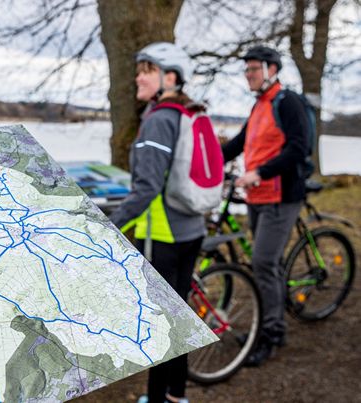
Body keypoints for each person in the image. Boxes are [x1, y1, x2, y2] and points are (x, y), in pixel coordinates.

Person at [109, 42, 207, 403]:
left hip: (163, 236)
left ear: (170, 77)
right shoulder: (186, 114)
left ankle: (157, 399)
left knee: (163, 323)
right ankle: (177, 396)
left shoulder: (159, 120)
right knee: (178, 315)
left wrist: (112, 223)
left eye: (146, 70)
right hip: (191, 228)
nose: (138, 76)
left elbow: (147, 188)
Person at [222, 45, 308, 366]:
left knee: (262, 263)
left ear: (272, 70)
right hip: (258, 197)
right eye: (246, 70)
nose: (249, 75)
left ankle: (271, 333)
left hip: (282, 196)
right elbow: (238, 145)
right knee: (267, 263)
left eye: (254, 69)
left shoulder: (289, 103)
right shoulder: (259, 105)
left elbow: (299, 149)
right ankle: (270, 322)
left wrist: (259, 172)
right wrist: (206, 162)